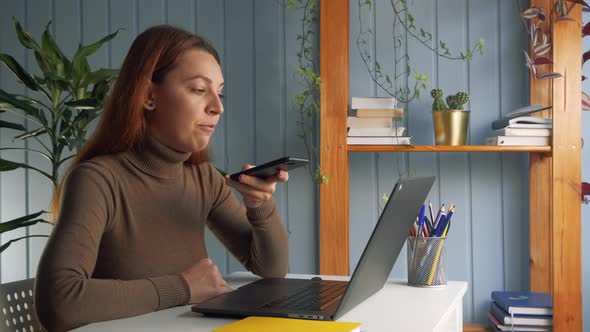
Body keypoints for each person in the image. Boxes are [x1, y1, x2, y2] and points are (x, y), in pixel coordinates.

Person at [34, 25, 289, 332]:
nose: (217, 107)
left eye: (219, 92)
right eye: (199, 89)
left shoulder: (202, 177)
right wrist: (183, 287)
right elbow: (59, 302)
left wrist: (259, 204)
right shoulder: (97, 181)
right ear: (148, 96)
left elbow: (271, 269)